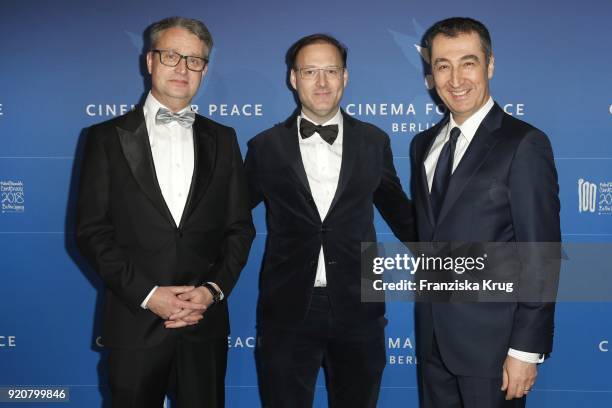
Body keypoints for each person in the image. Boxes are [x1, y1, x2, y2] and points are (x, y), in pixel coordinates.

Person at [76, 16, 254, 408]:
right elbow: (91, 231)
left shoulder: (224, 140)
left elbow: (240, 229)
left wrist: (211, 291)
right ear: (150, 61)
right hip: (134, 323)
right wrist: (147, 294)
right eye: (172, 55)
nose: (181, 68)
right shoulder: (104, 138)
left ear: (204, 70)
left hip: (203, 323)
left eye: (194, 60)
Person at [244, 33, 415, 407]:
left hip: (360, 311)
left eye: (331, 71)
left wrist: (460, 259)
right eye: (310, 71)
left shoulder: (374, 141)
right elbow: (232, 220)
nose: (321, 82)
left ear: (345, 77)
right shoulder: (264, 147)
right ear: (294, 78)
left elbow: (401, 214)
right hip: (286, 313)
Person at [410, 17, 561, 407]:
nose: (455, 78)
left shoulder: (523, 143)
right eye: (443, 65)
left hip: (494, 350)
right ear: (431, 72)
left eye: (468, 62)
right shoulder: (422, 145)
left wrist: (525, 349)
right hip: (432, 343)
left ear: (490, 65)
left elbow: (540, 253)